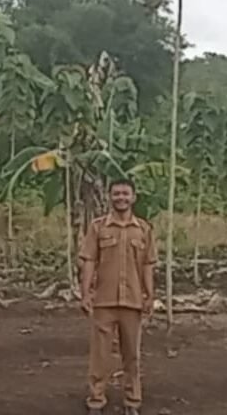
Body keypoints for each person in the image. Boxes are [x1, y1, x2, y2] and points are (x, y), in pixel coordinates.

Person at [78, 178, 157, 415]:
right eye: (116, 194)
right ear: (110, 197)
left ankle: (132, 402)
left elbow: (148, 265)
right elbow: (89, 261)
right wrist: (85, 293)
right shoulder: (98, 227)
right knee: (100, 355)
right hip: (104, 301)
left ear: (133, 197)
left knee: (131, 355)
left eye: (125, 193)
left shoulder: (143, 229)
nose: (121, 198)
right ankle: (96, 400)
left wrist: (150, 295)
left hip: (132, 301)